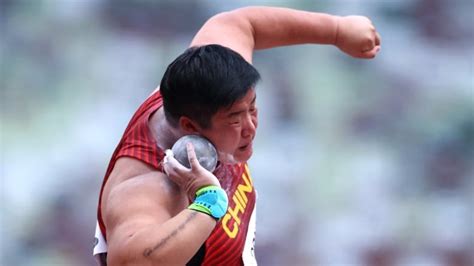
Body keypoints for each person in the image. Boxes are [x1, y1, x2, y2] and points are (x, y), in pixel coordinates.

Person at [93, 6, 381, 266]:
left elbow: (241, 24)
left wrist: (337, 31)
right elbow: (133, 262)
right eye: (235, 119)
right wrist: (208, 202)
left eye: (253, 108)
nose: (251, 127)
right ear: (191, 127)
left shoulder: (205, 84)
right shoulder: (146, 186)